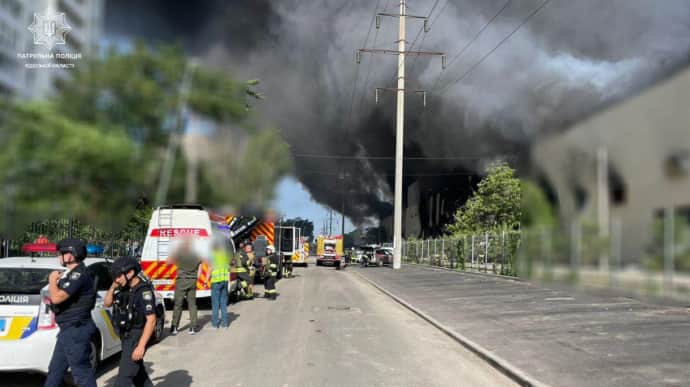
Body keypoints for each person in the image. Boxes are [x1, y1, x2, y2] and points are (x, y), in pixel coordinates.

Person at [44, 238, 97, 387]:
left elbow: (57, 297)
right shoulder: (72, 273)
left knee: (81, 372)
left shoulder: (79, 274)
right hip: (68, 330)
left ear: (70, 256)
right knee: (55, 370)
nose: (58, 257)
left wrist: (52, 280)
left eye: (61, 253)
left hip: (76, 330)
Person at [104, 257, 156, 387]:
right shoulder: (124, 288)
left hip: (136, 337)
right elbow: (107, 303)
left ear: (130, 273)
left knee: (123, 380)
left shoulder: (143, 291)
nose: (116, 279)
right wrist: (112, 287)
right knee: (140, 377)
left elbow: (151, 319)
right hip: (126, 337)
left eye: (118, 276)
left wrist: (141, 346)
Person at [168, 237, 202, 335]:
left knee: (178, 304)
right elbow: (200, 269)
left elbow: (169, 261)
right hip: (192, 281)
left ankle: (174, 327)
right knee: (192, 304)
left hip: (181, 281)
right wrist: (196, 278)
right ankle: (192, 327)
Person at [208, 240, 230, 329]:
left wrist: (206, 280)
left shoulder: (213, 256)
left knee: (215, 304)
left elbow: (210, 268)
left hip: (216, 282)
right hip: (224, 281)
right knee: (223, 304)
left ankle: (215, 325)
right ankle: (225, 325)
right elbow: (228, 268)